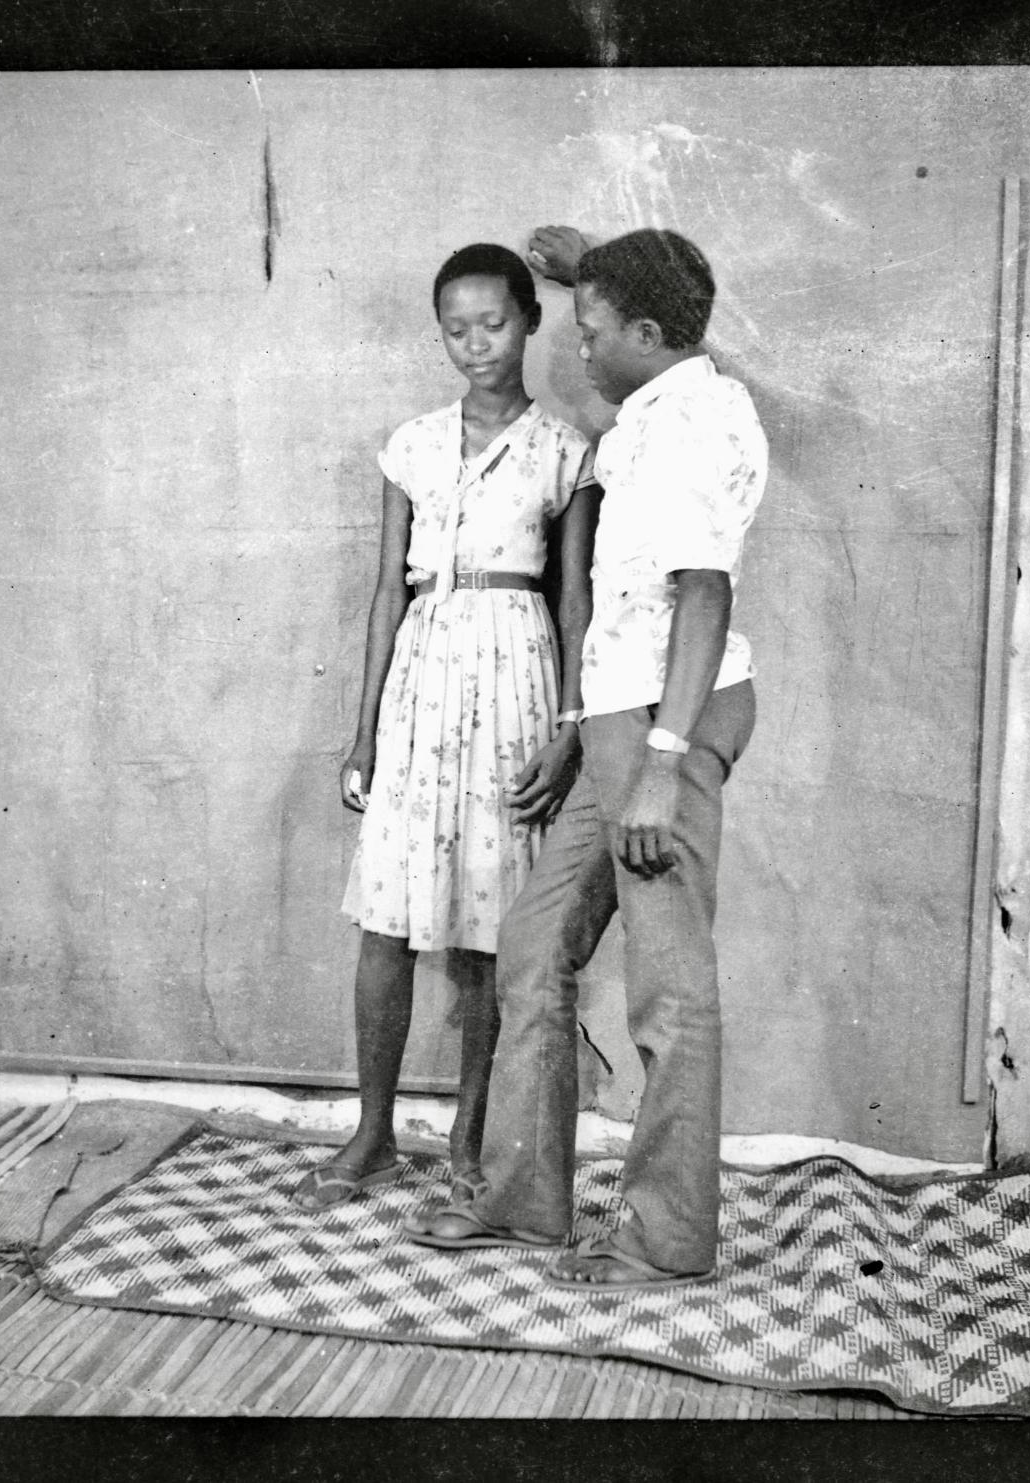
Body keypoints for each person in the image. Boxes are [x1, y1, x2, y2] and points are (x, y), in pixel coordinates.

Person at [405, 226, 767, 1291]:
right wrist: (595, 266)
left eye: (594, 329)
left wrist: (661, 762)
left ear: (649, 333)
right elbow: (665, 305)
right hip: (621, 719)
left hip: (665, 720)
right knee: (535, 942)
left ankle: (666, 1240)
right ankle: (524, 1198)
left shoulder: (690, 422)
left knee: (668, 985)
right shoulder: (669, 393)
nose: (579, 347)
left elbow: (705, 593)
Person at [293, 243, 601, 1212]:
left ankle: (471, 1137)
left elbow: (576, 600)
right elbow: (388, 590)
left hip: (516, 680)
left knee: (487, 929)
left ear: (530, 322)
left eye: (494, 324)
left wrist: (571, 725)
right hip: (422, 680)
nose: (476, 345)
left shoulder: (566, 451)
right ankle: (373, 1135)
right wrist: (364, 733)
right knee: (385, 924)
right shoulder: (413, 445)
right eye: (456, 329)